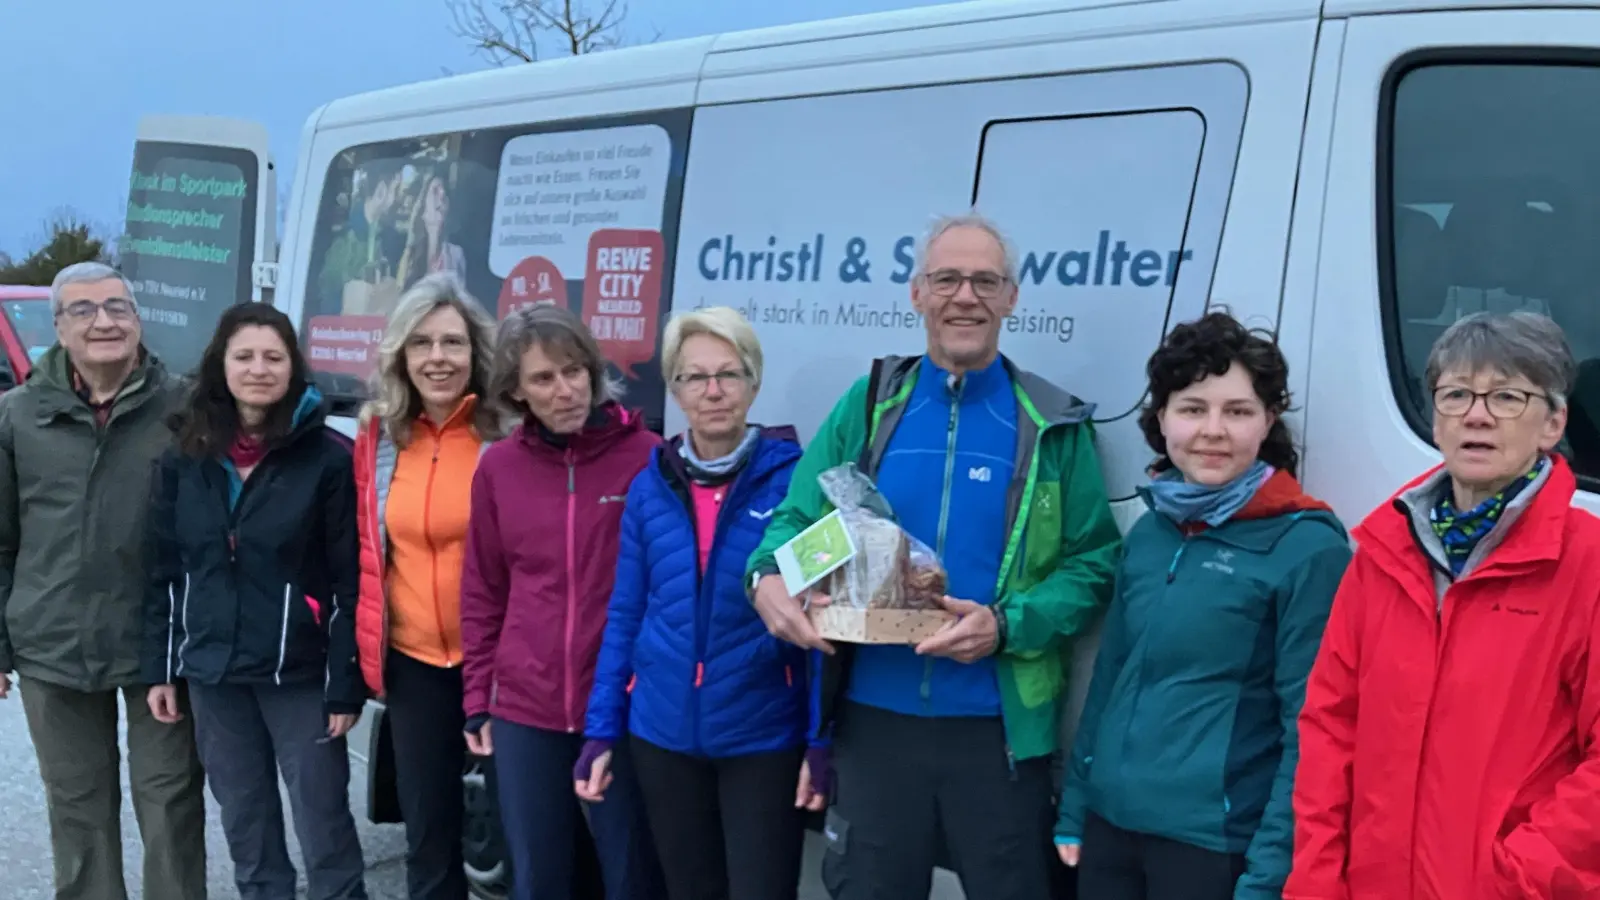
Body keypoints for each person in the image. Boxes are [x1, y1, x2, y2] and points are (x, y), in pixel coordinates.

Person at [744, 212, 1122, 900]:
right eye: (947, 278)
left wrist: (1008, 624)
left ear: (1013, 297)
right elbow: (796, 521)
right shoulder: (871, 403)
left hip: (997, 730)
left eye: (985, 280)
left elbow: (1094, 563)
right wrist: (768, 578)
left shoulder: (1050, 424)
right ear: (917, 294)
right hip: (875, 721)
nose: (965, 296)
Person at [1289, 311, 1600, 898]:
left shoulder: (1586, 562)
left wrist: (1520, 874)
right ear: (1436, 417)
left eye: (1507, 396)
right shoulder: (1382, 553)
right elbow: (1331, 732)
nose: (1476, 415)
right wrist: (1316, 882)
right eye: (1456, 394)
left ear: (1553, 422)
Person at [1053, 311, 1352, 899]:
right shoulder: (1152, 531)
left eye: (1237, 411)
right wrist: (1076, 805)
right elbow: (1111, 677)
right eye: (1193, 408)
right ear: (1161, 418)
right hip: (1111, 833)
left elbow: (1311, 731)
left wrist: (1269, 875)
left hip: (1213, 847)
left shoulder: (1307, 545)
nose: (1213, 430)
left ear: (1267, 421)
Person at [578, 307, 815, 900]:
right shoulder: (649, 486)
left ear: (754, 384)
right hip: (662, 738)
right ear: (675, 389)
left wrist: (822, 739)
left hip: (761, 736)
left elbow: (819, 624)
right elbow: (625, 615)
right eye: (694, 377)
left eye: (729, 375)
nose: (713, 391)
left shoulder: (796, 483)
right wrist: (602, 732)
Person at [142, 303, 368, 900]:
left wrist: (344, 680)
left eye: (274, 357)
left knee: (324, 824)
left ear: (293, 366)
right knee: (247, 826)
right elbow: (165, 570)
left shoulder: (326, 460)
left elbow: (352, 579)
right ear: (221, 364)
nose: (259, 369)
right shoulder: (183, 458)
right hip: (214, 675)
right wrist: (163, 667)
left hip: (299, 675)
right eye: (245, 356)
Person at [0, 262, 207, 900]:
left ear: (138, 321)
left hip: (158, 645)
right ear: (58, 328)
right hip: (51, 642)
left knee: (170, 803)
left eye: (118, 307)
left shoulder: (185, 408)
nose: (104, 321)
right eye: (84, 310)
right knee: (78, 808)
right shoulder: (17, 416)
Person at [459, 304, 665, 900]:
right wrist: (479, 698)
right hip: (527, 708)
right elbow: (483, 590)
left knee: (630, 875)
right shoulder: (499, 468)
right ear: (517, 392)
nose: (566, 389)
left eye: (575, 370)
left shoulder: (647, 456)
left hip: (622, 705)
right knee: (541, 878)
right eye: (544, 379)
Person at [353, 273, 505, 900]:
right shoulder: (379, 437)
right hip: (415, 665)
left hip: (497, 664)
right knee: (428, 836)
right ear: (401, 356)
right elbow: (365, 551)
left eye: (452, 343)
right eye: (421, 344)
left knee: (525, 830)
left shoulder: (507, 435)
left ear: (477, 354)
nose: (438, 359)